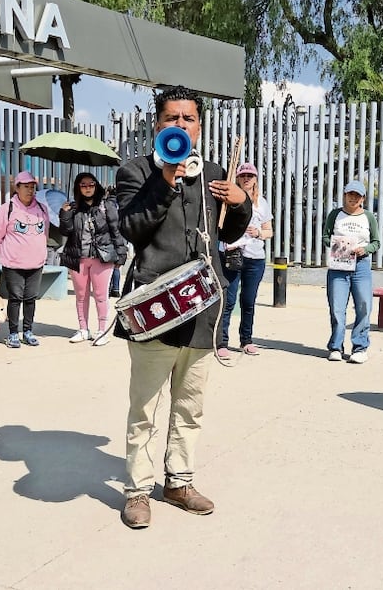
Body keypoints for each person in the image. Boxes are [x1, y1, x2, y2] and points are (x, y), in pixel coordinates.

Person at [113, 86, 252, 529]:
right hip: (155, 310)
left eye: (188, 119)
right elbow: (133, 229)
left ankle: (178, 481)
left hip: (202, 311)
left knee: (190, 407)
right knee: (145, 410)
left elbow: (228, 235)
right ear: (157, 124)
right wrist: (165, 178)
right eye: (171, 118)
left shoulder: (212, 173)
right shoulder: (134, 172)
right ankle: (137, 490)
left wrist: (241, 203)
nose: (179, 125)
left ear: (199, 126)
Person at [58, 172, 128, 344]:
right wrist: (65, 214)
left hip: (102, 256)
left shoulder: (106, 206)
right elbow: (65, 231)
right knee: (81, 296)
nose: (87, 188)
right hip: (78, 257)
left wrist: (121, 255)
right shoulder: (73, 209)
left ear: (96, 186)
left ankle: (102, 331)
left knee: (101, 295)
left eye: (91, 184)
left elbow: (116, 231)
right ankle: (83, 329)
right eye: (83, 185)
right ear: (78, 188)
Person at [217, 162, 274, 358]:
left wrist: (258, 233)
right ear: (238, 178)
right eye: (243, 176)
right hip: (233, 254)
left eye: (250, 176)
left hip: (255, 258)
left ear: (256, 179)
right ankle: (221, 341)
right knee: (229, 300)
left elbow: (269, 231)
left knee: (248, 301)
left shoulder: (262, 203)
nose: (246, 179)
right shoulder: (229, 200)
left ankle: (246, 340)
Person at [0, 171, 49, 349]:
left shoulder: (41, 208)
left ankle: (28, 331)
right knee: (15, 298)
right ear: (17, 188)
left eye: (32, 187)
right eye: (26, 187)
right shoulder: (7, 208)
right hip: (13, 263)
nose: (30, 191)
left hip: (36, 263)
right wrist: (3, 252)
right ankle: (13, 333)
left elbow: (44, 233)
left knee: (31, 298)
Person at [322, 180, 380, 364]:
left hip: (361, 265)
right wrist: (338, 245)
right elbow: (325, 236)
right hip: (339, 264)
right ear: (344, 195)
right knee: (337, 308)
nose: (353, 198)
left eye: (358, 195)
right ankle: (336, 347)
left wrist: (366, 249)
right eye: (350, 194)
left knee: (364, 305)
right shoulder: (335, 215)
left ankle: (360, 347)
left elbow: (376, 242)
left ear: (363, 198)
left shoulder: (369, 217)